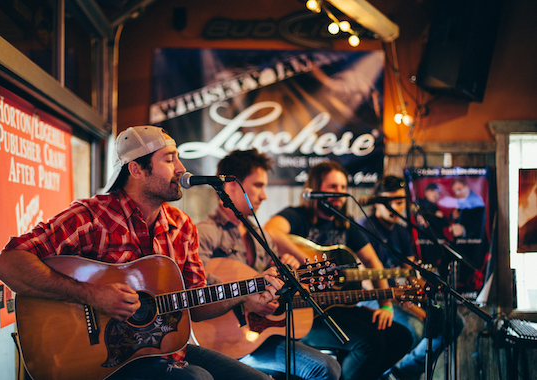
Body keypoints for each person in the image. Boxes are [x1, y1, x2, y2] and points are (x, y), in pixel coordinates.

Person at [0, 126, 284, 380]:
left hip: (167, 351)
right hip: (105, 362)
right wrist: (92, 296)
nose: (181, 169)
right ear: (136, 169)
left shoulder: (181, 227)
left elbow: (195, 303)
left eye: (178, 158)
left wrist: (243, 293)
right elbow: (7, 264)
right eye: (169, 160)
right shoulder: (90, 216)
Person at [196, 149, 341, 380]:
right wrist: (244, 298)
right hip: (226, 340)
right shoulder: (204, 234)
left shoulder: (258, 235)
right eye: (258, 185)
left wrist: (288, 269)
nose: (264, 195)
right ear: (231, 186)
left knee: (329, 366)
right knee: (322, 369)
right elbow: (197, 290)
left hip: (261, 334)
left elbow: (273, 282)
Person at [264, 161, 413, 380]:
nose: (340, 193)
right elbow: (272, 230)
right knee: (369, 344)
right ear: (315, 188)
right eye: (333, 186)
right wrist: (309, 262)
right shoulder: (298, 216)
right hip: (303, 311)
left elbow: (373, 263)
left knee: (401, 337)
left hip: (336, 305)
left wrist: (386, 306)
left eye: (343, 187)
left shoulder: (345, 224)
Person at [357, 175, 464, 380]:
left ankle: (402, 371)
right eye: (388, 201)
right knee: (416, 328)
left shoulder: (403, 232)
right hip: (372, 297)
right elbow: (370, 283)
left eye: (399, 201)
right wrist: (415, 310)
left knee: (453, 321)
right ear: (376, 202)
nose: (394, 207)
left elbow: (408, 278)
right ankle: (391, 374)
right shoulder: (364, 227)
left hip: (400, 297)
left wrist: (427, 295)